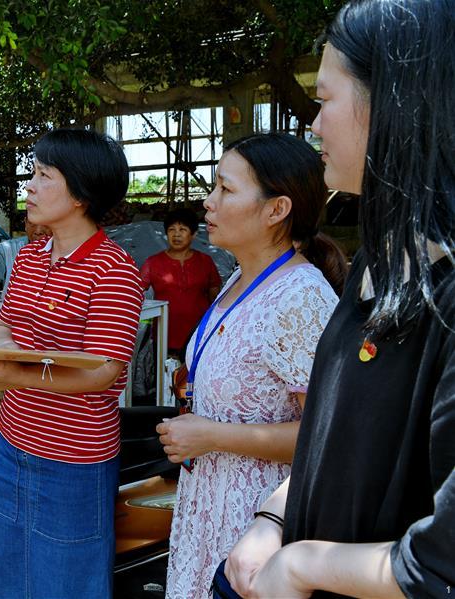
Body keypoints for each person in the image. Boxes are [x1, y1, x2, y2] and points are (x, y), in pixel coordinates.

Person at [225, 2, 455, 597]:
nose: (314, 126)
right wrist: (274, 517)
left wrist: (301, 564)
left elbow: (441, 561)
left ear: (398, 105)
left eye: (324, 101)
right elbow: (334, 438)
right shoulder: (381, 261)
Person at [156, 133, 344, 598]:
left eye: (225, 188)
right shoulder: (241, 277)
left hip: (256, 523)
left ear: (276, 209)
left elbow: (329, 439)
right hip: (208, 506)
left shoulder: (300, 297)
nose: (209, 201)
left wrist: (214, 435)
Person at [0, 129, 144, 598]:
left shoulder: (114, 269)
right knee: (1, 580)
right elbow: (5, 324)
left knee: (64, 583)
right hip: (11, 443)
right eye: (34, 173)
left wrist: (14, 373)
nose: (30, 186)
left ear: (80, 194)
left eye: (44, 175)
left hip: (74, 460)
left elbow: (102, 371)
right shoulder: (27, 258)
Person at [140, 208, 221, 355]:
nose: (176, 234)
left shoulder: (205, 261)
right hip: (164, 334)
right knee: (163, 369)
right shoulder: (153, 263)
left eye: (182, 229)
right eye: (171, 229)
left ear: (194, 234)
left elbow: (216, 297)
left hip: (199, 333)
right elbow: (136, 292)